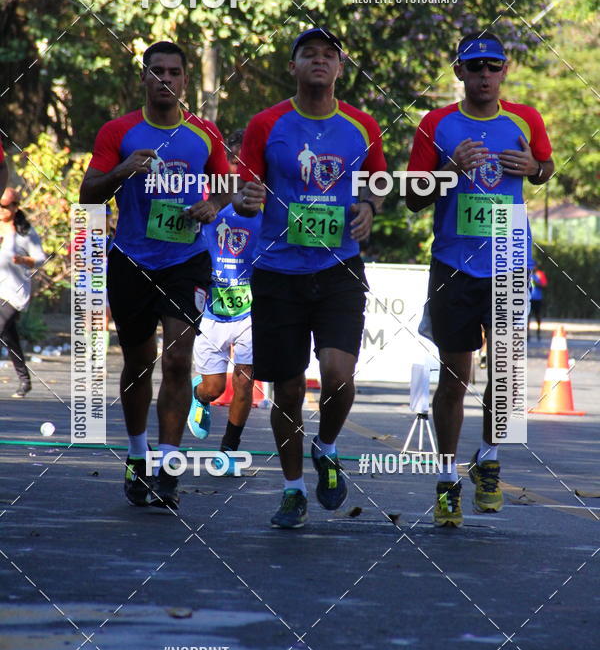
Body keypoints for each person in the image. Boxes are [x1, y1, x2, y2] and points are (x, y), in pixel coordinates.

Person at [233, 26, 385, 528]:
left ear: (340, 68)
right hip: (278, 271)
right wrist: (245, 198)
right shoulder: (266, 123)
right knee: (289, 390)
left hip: (338, 267)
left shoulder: (363, 125)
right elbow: (244, 187)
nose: (320, 61)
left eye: (329, 55)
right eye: (309, 54)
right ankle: (293, 488)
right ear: (293, 66)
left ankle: (328, 446)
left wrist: (368, 206)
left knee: (340, 374)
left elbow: (377, 185)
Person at [406, 30, 554, 527]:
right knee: (455, 376)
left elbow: (546, 165)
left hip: (509, 252)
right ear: (459, 73)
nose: (485, 75)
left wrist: (534, 167)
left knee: (508, 379)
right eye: (476, 66)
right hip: (454, 261)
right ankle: (447, 480)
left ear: (505, 70)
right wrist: (448, 169)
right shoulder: (436, 123)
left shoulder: (525, 118)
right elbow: (413, 197)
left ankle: (487, 461)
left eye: (494, 65)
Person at [80, 40, 229, 510]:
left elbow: (227, 186)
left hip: (187, 262)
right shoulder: (118, 132)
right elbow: (88, 196)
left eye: (175, 72)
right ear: (144, 78)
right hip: (133, 260)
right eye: (157, 71)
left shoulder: (204, 133)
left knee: (179, 359)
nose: (166, 79)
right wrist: (123, 169)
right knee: (139, 362)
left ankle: (168, 464)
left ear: (186, 80)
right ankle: (138, 454)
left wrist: (213, 204)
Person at [187, 129, 262, 473]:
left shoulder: (267, 206)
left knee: (245, 382)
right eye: (233, 162)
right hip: (212, 308)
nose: (239, 171)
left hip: (250, 308)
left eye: (247, 165)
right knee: (214, 388)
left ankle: (229, 450)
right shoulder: (206, 201)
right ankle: (199, 396)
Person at [0, 188, 46, 397]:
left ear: (15, 207)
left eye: (4, 206)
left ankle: (25, 381)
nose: (0, 210)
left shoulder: (25, 232)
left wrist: (23, 260)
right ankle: (24, 381)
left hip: (13, 292)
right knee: (10, 337)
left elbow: (40, 259)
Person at [528, 261, 547, 340]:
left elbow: (544, 285)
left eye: (534, 266)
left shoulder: (540, 274)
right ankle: (528, 334)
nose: (533, 267)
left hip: (538, 299)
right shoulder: (528, 274)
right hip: (529, 298)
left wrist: (536, 283)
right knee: (528, 316)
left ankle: (538, 333)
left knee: (538, 316)